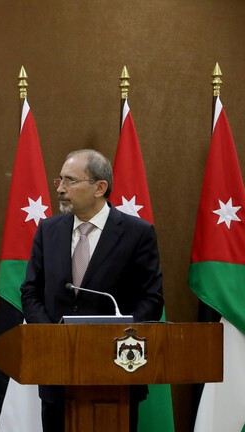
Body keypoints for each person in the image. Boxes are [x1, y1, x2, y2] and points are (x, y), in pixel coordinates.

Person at [20, 149, 163, 432]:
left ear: (100, 187)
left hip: (116, 375)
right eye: (59, 180)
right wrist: (51, 336)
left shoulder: (137, 233)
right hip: (57, 374)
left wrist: (114, 339)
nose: (60, 188)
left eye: (70, 181)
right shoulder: (48, 230)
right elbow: (31, 291)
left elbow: (151, 300)